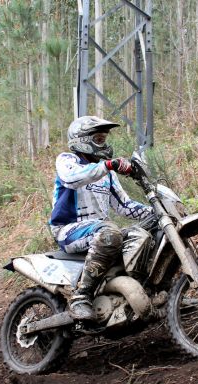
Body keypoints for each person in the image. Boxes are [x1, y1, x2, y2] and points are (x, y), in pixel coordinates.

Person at [49, 116, 153, 322]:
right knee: (109, 232)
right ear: (82, 140)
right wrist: (109, 164)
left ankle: (133, 291)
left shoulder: (107, 174)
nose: (103, 144)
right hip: (68, 230)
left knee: (141, 234)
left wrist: (156, 211)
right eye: (98, 139)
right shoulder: (67, 161)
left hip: (98, 230)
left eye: (104, 139)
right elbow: (72, 179)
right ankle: (81, 297)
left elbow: (125, 206)